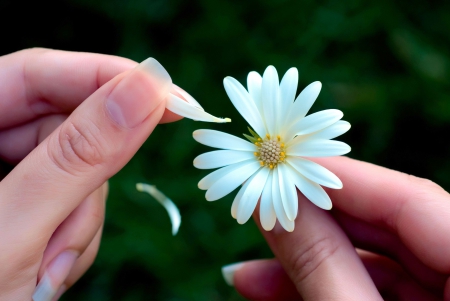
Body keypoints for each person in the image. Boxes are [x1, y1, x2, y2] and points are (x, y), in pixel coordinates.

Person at [0, 48, 448, 301]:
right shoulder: (266, 153)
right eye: (267, 145)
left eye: (271, 147)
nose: (270, 147)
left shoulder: (280, 152)